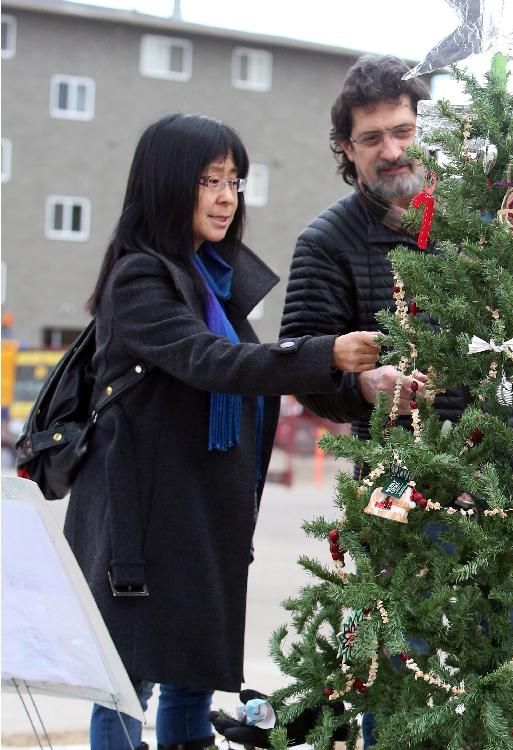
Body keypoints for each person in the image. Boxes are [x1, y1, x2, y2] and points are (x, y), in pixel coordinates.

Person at [64, 113, 380, 750]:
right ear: (166, 185)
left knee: (192, 682)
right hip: (140, 524)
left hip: (202, 520)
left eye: (234, 181)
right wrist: (325, 353)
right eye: (209, 180)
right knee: (128, 686)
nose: (225, 197)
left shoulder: (214, 280)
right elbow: (211, 361)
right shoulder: (140, 278)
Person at [279, 53, 468, 441]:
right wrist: (363, 387)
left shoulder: (485, 219)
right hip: (397, 470)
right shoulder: (325, 242)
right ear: (347, 148)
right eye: (371, 138)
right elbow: (300, 369)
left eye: (403, 131)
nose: (392, 151)